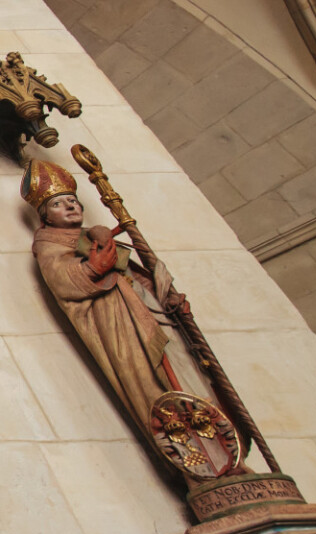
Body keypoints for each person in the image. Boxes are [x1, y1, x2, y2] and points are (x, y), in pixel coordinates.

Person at [24, 158, 227, 478]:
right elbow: (63, 280)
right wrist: (92, 269)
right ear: (44, 215)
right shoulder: (49, 244)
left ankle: (227, 456)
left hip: (149, 315)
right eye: (60, 204)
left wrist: (166, 296)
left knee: (191, 378)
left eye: (73, 201)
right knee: (156, 389)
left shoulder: (95, 237)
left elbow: (133, 273)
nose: (71, 206)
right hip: (123, 328)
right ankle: (199, 471)